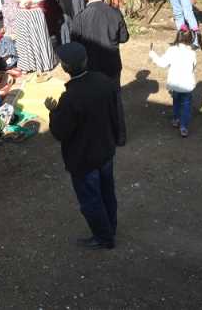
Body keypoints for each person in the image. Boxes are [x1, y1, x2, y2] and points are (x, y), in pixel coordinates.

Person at [46, 42, 122, 250]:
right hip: (105, 150)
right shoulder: (104, 82)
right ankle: (110, 228)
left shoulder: (70, 98)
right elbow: (115, 114)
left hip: (83, 158)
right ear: (86, 60)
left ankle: (103, 237)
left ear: (65, 67)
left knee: (91, 200)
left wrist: (53, 112)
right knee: (107, 192)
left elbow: (60, 132)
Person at [70, 0, 129, 145]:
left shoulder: (80, 18)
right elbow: (124, 37)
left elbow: (75, 45)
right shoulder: (114, 13)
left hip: (90, 68)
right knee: (115, 99)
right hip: (112, 65)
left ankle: (100, 138)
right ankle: (120, 136)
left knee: (94, 102)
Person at [149, 28, 198, 138]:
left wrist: (153, 55)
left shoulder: (172, 50)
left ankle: (176, 119)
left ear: (178, 37)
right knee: (186, 105)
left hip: (174, 84)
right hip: (187, 85)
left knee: (176, 101)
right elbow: (194, 67)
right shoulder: (192, 53)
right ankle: (184, 127)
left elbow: (162, 63)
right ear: (191, 39)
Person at [13, 0, 57, 75]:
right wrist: (20, 0)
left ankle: (43, 64)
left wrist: (31, 0)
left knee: (39, 38)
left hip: (35, 12)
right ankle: (29, 65)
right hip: (22, 13)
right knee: (25, 40)